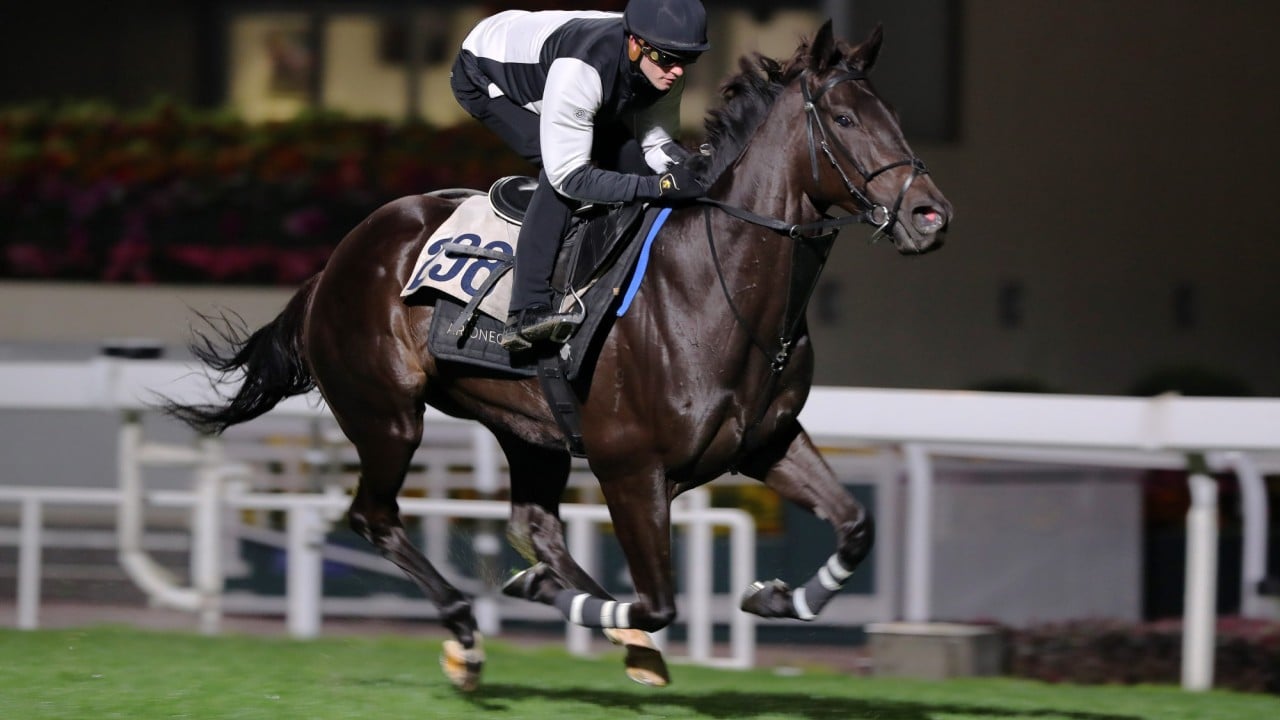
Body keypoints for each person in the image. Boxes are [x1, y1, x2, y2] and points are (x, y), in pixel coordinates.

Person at [450, 0, 710, 352]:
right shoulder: (583, 68)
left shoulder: (662, 64)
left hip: (558, 63)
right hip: (484, 74)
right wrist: (657, 187)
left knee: (630, 159)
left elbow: (656, 147)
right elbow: (569, 177)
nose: (677, 71)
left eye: (687, 60)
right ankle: (525, 310)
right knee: (561, 175)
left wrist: (693, 169)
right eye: (667, 59)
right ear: (636, 44)